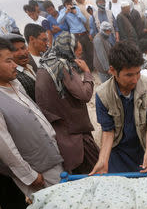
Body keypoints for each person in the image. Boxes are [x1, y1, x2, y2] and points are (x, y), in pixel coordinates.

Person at [0, 33, 63, 197]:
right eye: (8, 61)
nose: (15, 65)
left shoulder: (12, 82)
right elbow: (5, 148)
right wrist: (30, 176)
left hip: (51, 159)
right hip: (39, 173)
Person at [90, 41, 147, 176]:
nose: (135, 80)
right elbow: (108, 131)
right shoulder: (102, 94)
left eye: (138, 73)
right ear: (113, 70)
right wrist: (103, 159)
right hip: (118, 153)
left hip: (143, 148)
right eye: (129, 75)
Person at [36, 32, 99, 174]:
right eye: (78, 53)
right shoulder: (62, 67)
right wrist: (87, 72)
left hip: (62, 135)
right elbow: (84, 94)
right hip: (76, 138)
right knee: (94, 173)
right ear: (69, 50)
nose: (79, 57)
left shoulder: (45, 65)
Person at [57, 0, 94, 71]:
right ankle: (86, 70)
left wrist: (76, 13)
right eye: (67, 3)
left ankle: (93, 68)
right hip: (75, 35)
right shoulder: (63, 11)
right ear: (64, 4)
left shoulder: (76, 8)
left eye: (70, 2)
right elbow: (59, 21)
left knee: (90, 51)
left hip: (83, 33)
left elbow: (84, 20)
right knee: (81, 54)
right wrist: (66, 12)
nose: (69, 4)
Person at [3, 33, 37, 101]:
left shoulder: (31, 66)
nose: (22, 53)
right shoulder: (14, 78)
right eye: (15, 50)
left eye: (23, 48)